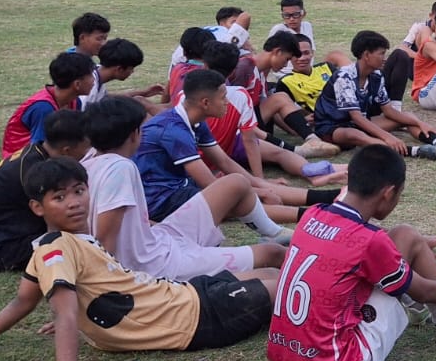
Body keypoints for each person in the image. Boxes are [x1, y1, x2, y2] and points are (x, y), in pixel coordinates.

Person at [0, 158, 279, 361]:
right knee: (282, 285)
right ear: (37, 207)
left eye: (79, 192)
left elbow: (23, 302)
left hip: (181, 295)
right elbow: (61, 313)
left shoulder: (60, 244)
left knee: (267, 270)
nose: (74, 202)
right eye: (59, 197)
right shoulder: (53, 250)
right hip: (190, 319)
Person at [267, 145, 436, 361]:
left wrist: (418, 240)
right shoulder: (371, 242)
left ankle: (425, 311)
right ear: (388, 193)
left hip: (285, 353)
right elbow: (422, 290)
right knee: (411, 262)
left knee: (405, 237)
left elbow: (352, 237)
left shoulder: (312, 215)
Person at [82, 96, 288, 279]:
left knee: (235, 183)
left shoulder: (88, 163)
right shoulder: (120, 167)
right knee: (272, 256)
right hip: (157, 265)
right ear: (134, 134)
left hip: (158, 240)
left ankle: (273, 231)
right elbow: (104, 238)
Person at [133, 68, 302, 230]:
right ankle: (303, 218)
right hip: (157, 200)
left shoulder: (195, 121)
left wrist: (262, 186)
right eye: (223, 97)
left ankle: (318, 202)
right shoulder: (173, 130)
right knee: (231, 197)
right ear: (205, 102)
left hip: (176, 186)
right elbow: (209, 183)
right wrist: (261, 193)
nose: (227, 102)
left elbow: (224, 161)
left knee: (238, 186)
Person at [0, 110, 88, 273]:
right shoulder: (36, 171)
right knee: (69, 242)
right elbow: (59, 220)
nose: (87, 153)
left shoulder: (38, 152)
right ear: (67, 150)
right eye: (87, 148)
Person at [197, 42, 344, 186]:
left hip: (209, 153)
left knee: (274, 160)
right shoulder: (239, 92)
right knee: (280, 157)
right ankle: (317, 170)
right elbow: (249, 138)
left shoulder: (189, 93)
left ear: (205, 65)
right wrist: (261, 179)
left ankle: (313, 160)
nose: (286, 65)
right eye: (287, 59)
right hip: (231, 144)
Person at [312, 31, 436, 160]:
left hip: (360, 122)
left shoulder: (376, 76)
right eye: (381, 53)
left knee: (405, 117)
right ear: (367, 55)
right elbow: (356, 117)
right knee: (354, 134)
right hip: (333, 127)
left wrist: (419, 122)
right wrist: (387, 137)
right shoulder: (344, 77)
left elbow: (389, 111)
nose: (384, 58)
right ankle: (413, 151)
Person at [2, 52, 96, 158]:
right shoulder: (43, 108)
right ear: (77, 84)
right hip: (22, 163)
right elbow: (39, 151)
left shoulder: (74, 101)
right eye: (90, 75)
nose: (93, 80)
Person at [382, 0, 436, 102]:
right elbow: (402, 47)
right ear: (431, 15)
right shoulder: (420, 27)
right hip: (418, 67)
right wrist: (421, 57)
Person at [81, 37, 164, 110]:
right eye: (131, 68)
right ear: (119, 69)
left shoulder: (97, 72)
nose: (132, 72)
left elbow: (105, 97)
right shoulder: (89, 86)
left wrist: (142, 93)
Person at [168, 7, 252, 67]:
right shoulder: (226, 38)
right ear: (221, 23)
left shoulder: (207, 32)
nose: (235, 26)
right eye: (233, 22)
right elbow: (245, 16)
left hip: (180, 62)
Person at [265, 0, 316, 80]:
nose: (291, 19)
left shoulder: (307, 26)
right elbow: (268, 56)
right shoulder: (278, 31)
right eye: (287, 15)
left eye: (295, 14)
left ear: (303, 13)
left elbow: (312, 51)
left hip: (308, 73)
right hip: (287, 75)